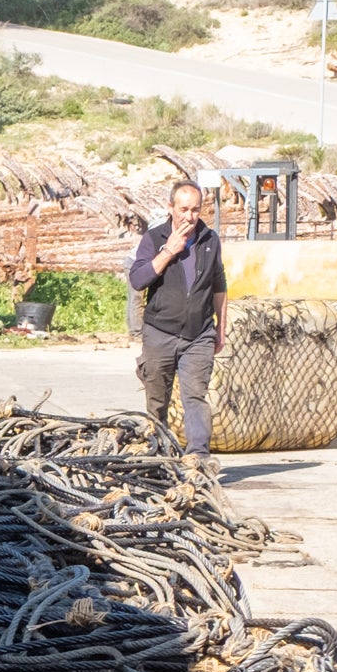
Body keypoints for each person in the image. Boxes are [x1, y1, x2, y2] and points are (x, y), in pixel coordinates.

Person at [125, 179, 228, 463]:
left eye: (195, 209)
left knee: (195, 396)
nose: (189, 216)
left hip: (199, 334)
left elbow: (219, 284)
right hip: (160, 332)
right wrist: (169, 250)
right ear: (170, 208)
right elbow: (138, 280)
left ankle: (198, 458)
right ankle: (159, 454)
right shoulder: (154, 238)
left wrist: (221, 329)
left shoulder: (210, 240)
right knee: (157, 400)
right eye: (183, 209)